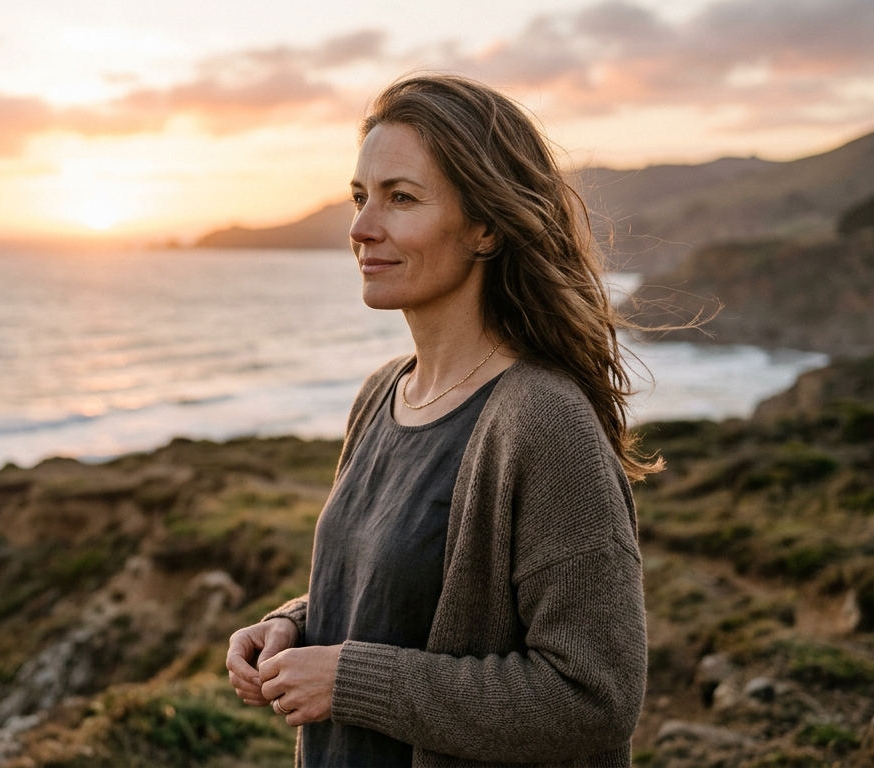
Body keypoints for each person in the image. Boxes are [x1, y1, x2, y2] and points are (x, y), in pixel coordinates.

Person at [224, 74, 655, 767]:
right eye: (361, 198)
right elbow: (401, 588)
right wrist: (293, 627)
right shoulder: (381, 395)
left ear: (485, 227)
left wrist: (349, 681)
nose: (363, 228)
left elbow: (593, 697)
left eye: (401, 199)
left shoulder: (544, 423)